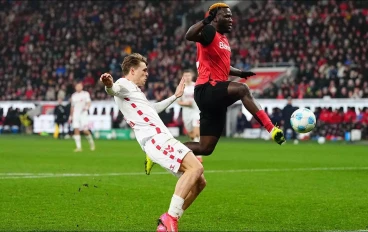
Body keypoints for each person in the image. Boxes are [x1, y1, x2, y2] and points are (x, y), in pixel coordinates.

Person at [100, 53, 206, 232]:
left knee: (200, 183)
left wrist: (175, 96)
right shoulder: (124, 84)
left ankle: (167, 221)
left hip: (161, 138)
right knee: (196, 168)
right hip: (156, 139)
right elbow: (113, 90)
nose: (147, 73)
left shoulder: (135, 91)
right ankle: (170, 218)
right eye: (144, 70)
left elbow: (153, 109)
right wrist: (108, 85)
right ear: (132, 71)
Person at [183, 2, 285, 156]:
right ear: (216, 18)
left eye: (231, 16)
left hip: (213, 96)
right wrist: (206, 21)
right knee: (243, 90)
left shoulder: (223, 39)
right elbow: (189, 35)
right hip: (206, 88)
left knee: (205, 148)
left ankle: (162, 150)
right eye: (227, 16)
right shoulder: (210, 31)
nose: (231, 20)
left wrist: (241, 73)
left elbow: (224, 67)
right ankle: (271, 128)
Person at [177, 69, 202, 163]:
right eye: (185, 76)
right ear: (183, 77)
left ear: (192, 76)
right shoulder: (180, 87)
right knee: (191, 135)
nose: (187, 77)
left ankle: (199, 156)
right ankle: (194, 151)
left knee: (196, 133)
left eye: (189, 75)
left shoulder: (196, 86)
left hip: (196, 112)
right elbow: (178, 101)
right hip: (186, 113)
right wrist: (185, 103)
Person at [68, 83, 95, 152]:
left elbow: (89, 102)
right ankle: (79, 147)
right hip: (75, 115)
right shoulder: (73, 96)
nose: (78, 87)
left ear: (82, 87)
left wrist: (86, 107)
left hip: (83, 114)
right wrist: (70, 117)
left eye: (79, 86)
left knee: (85, 130)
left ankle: (91, 143)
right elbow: (72, 107)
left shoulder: (85, 94)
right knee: (76, 129)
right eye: (77, 86)